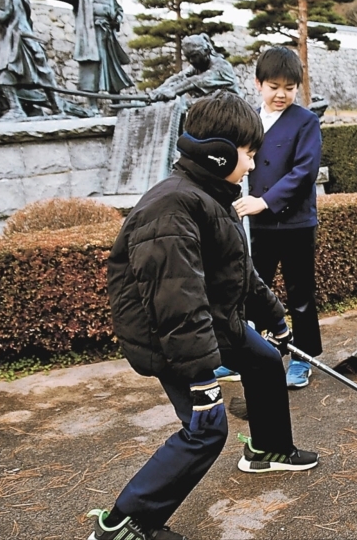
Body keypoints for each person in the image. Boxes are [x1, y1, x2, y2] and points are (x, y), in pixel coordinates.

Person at [95, 91, 318, 540]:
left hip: (213, 323)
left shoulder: (212, 196)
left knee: (261, 358)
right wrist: (202, 380)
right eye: (248, 153)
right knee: (205, 428)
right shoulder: (171, 207)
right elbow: (176, 304)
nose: (253, 165)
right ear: (218, 153)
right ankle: (124, 523)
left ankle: (266, 449)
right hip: (171, 340)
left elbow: (242, 273)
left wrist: (276, 322)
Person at [222, 47, 324, 390]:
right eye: (273, 86)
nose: (281, 94)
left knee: (300, 294)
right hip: (257, 224)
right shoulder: (247, 119)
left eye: (290, 87)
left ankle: (302, 358)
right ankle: (244, 354)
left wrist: (264, 201)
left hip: (295, 223)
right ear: (258, 84)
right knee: (250, 290)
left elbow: (304, 172)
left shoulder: (306, 122)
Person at [21, 0, 133, 114]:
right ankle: (92, 106)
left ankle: (116, 103)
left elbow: (118, 9)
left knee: (111, 69)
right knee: (90, 69)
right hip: (91, 35)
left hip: (107, 35)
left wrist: (116, 16)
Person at [149, 34, 241, 102]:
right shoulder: (197, 66)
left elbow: (196, 80)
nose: (191, 61)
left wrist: (172, 91)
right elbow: (178, 77)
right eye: (188, 57)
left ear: (205, 51)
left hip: (232, 109)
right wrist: (157, 91)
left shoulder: (221, 66)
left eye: (194, 56)